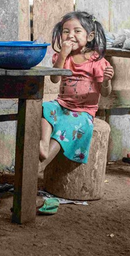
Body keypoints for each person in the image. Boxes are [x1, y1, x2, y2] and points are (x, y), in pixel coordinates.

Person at [39, 11, 114, 173]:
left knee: (66, 127)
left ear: (90, 36)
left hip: (83, 111)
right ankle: (44, 144)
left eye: (77, 31)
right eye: (66, 31)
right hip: (62, 104)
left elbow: (106, 93)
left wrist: (107, 80)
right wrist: (63, 55)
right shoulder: (62, 57)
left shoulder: (96, 60)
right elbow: (54, 79)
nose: (70, 35)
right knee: (44, 108)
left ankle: (41, 166)